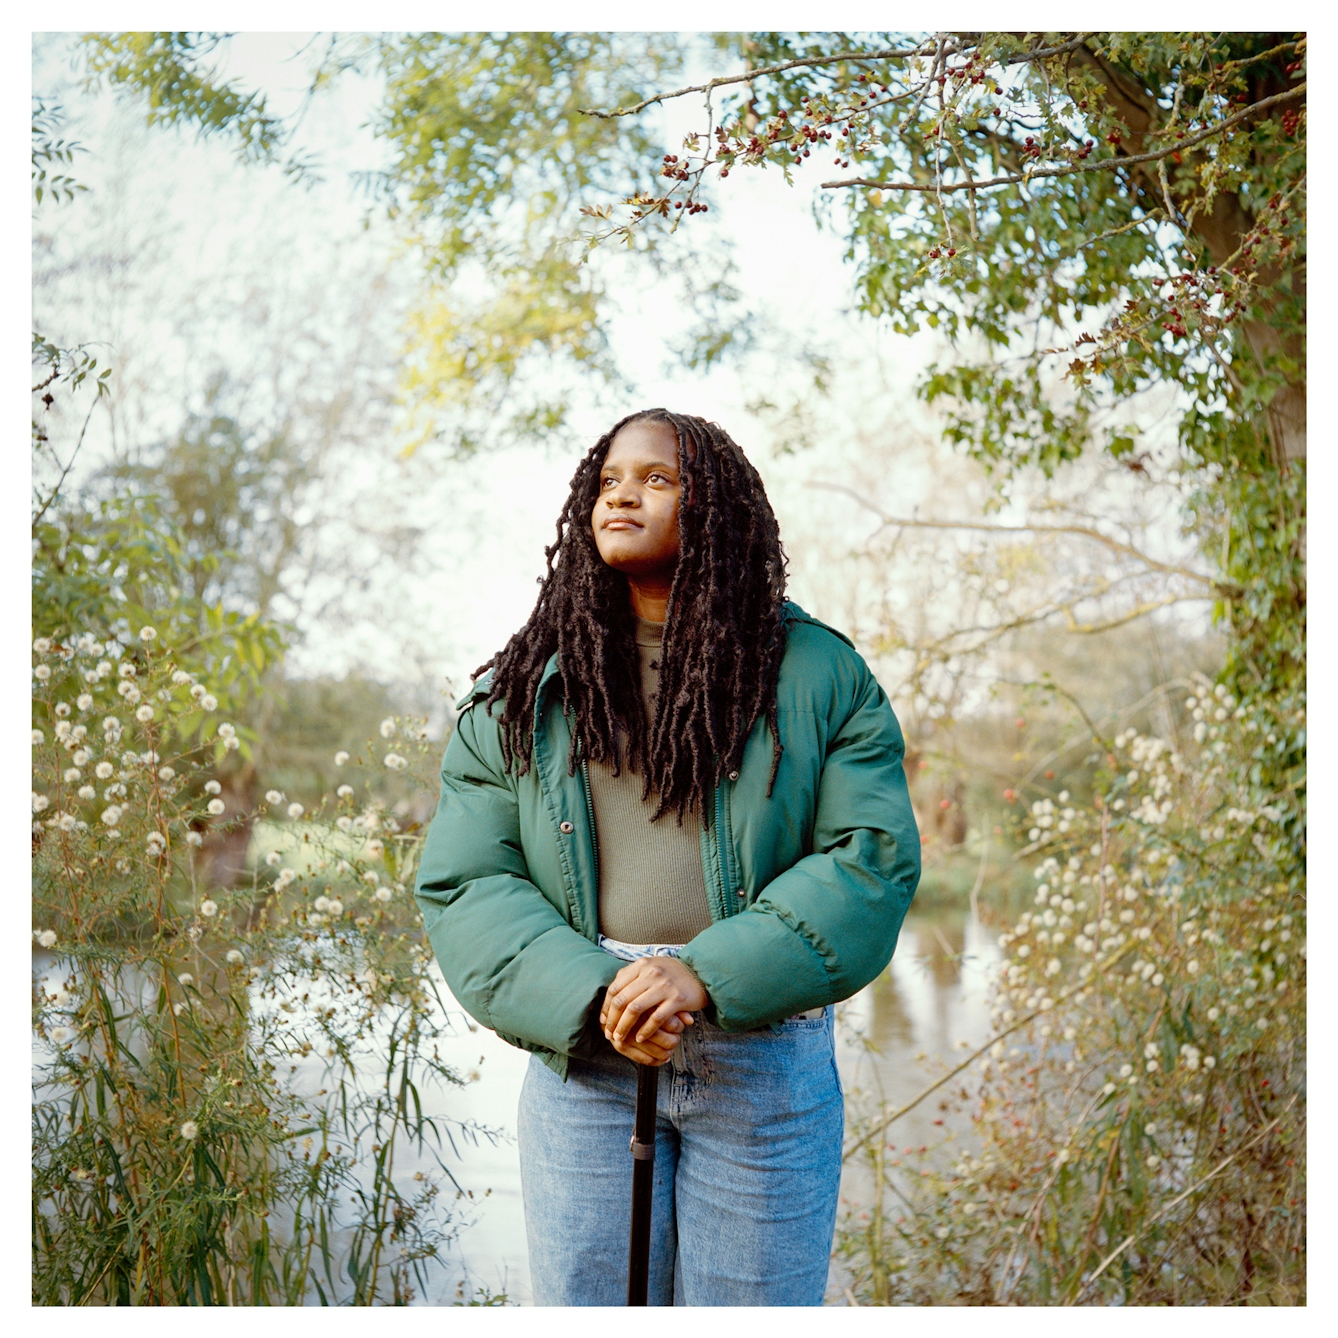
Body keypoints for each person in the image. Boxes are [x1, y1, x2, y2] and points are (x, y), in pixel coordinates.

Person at [415, 409, 920, 1306]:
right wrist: (596, 991)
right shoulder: (515, 690)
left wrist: (705, 974)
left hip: (765, 1058)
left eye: (657, 479)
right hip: (588, 1060)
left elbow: (868, 861)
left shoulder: (820, 674)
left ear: (719, 509)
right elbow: (467, 883)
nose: (622, 495)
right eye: (610, 480)